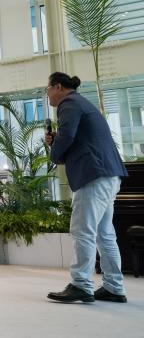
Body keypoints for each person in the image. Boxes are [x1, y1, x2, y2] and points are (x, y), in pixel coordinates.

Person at [45, 72, 128, 303]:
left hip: (93, 174)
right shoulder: (82, 103)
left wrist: (54, 150)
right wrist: (59, 142)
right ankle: (114, 287)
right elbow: (73, 138)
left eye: (47, 89)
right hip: (108, 174)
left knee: (83, 230)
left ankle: (81, 284)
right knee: (104, 234)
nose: (47, 94)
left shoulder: (68, 103)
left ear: (58, 86)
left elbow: (67, 136)